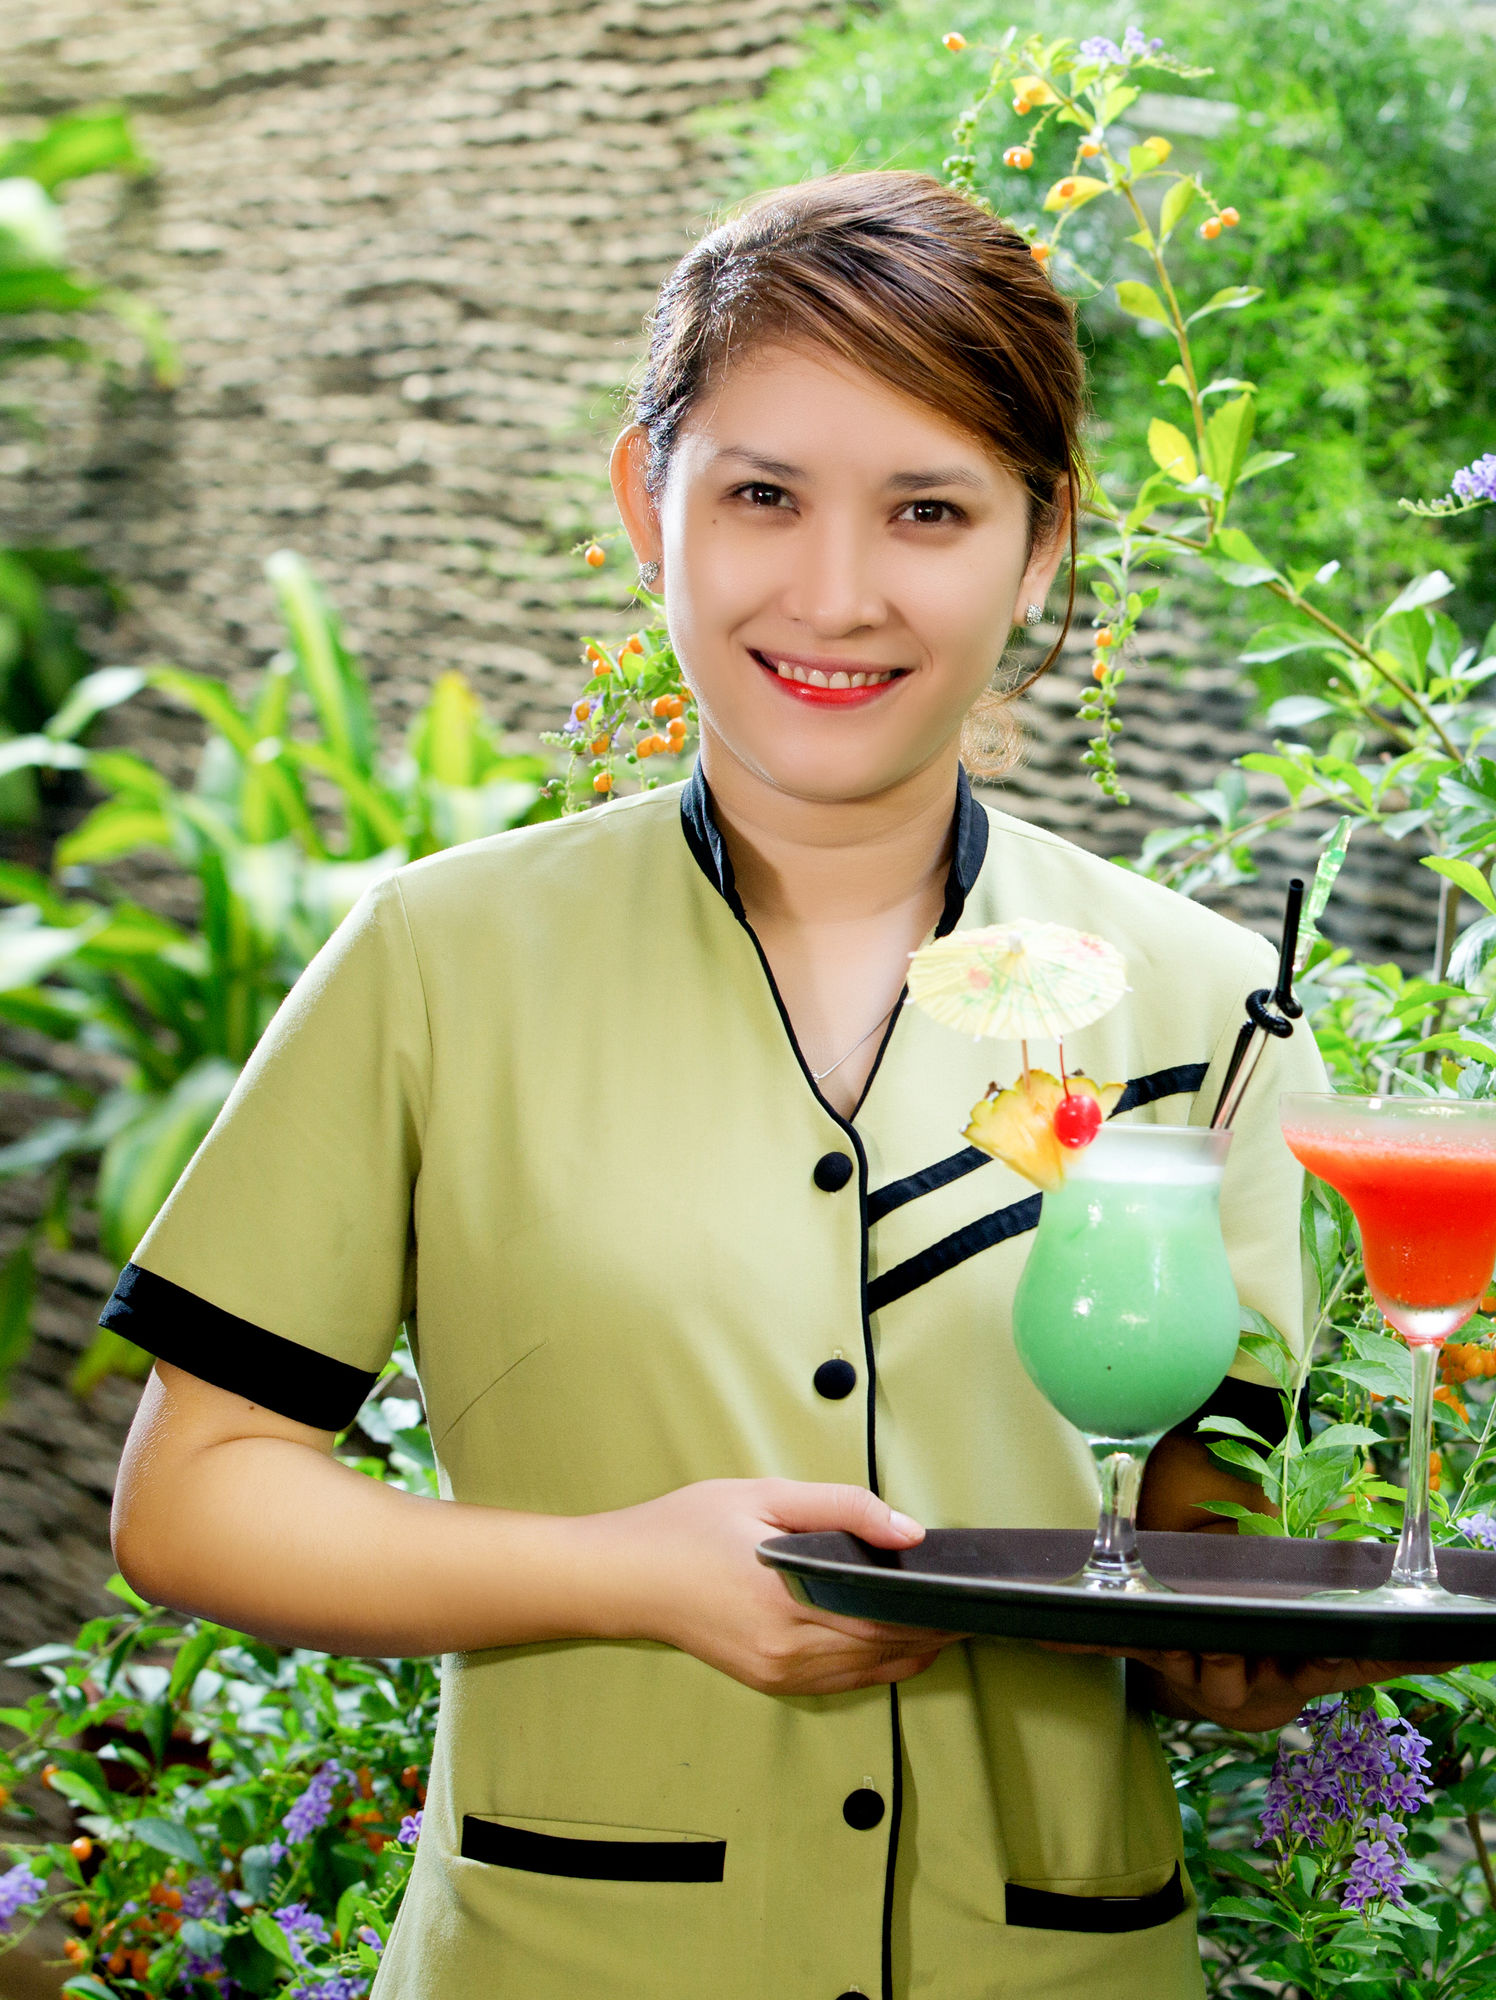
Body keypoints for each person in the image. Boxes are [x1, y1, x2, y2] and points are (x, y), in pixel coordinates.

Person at [105, 171, 1417, 1999]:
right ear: (650, 500)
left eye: (931, 510)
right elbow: (197, 1495)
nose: (835, 593)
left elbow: (1206, 1502)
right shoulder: (438, 960)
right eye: (763, 495)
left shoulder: (1207, 1005)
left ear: (1042, 546)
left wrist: (1237, 1643)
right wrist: (622, 1572)